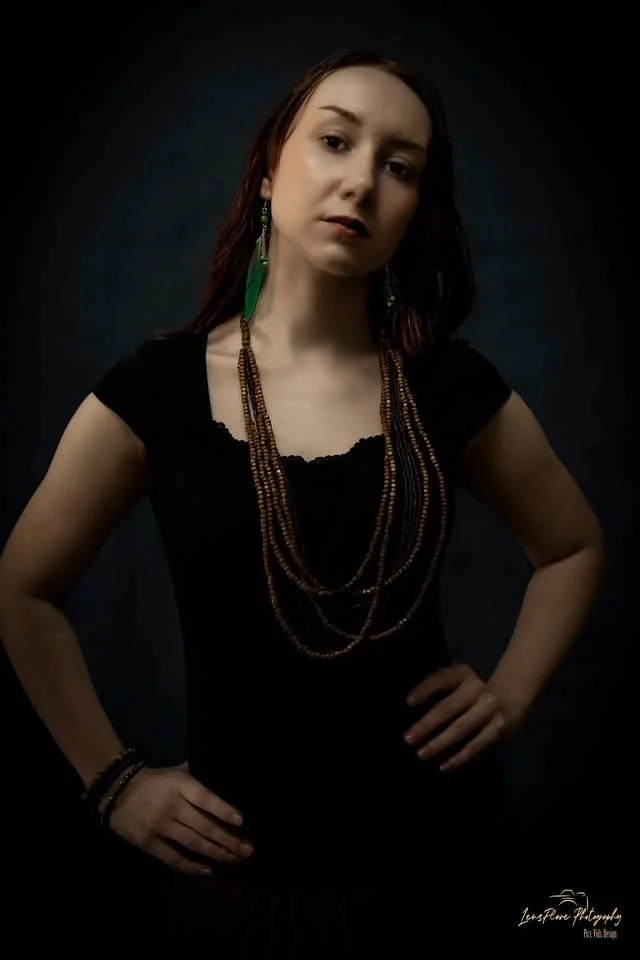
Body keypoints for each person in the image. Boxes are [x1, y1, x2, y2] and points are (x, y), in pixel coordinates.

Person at [0, 48, 606, 954]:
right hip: (232, 888)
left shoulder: (447, 388)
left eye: (400, 167)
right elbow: (24, 589)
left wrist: (513, 693)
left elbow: (574, 547)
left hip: (445, 867)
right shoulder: (157, 391)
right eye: (335, 141)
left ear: (415, 211)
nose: (361, 181)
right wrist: (111, 781)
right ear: (271, 166)